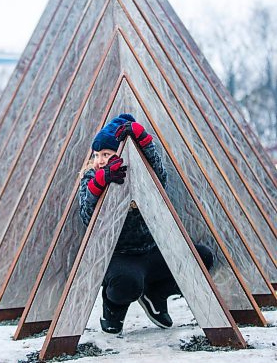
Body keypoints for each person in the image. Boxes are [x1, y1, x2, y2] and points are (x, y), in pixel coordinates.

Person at [79, 113, 213, 335]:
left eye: (106, 153)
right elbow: (86, 213)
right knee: (126, 284)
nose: (100, 160)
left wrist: (143, 139)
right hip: (119, 254)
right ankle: (113, 308)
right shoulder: (90, 177)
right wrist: (101, 181)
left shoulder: (142, 176)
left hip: (152, 250)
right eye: (96, 154)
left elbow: (158, 173)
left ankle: (156, 293)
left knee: (202, 258)